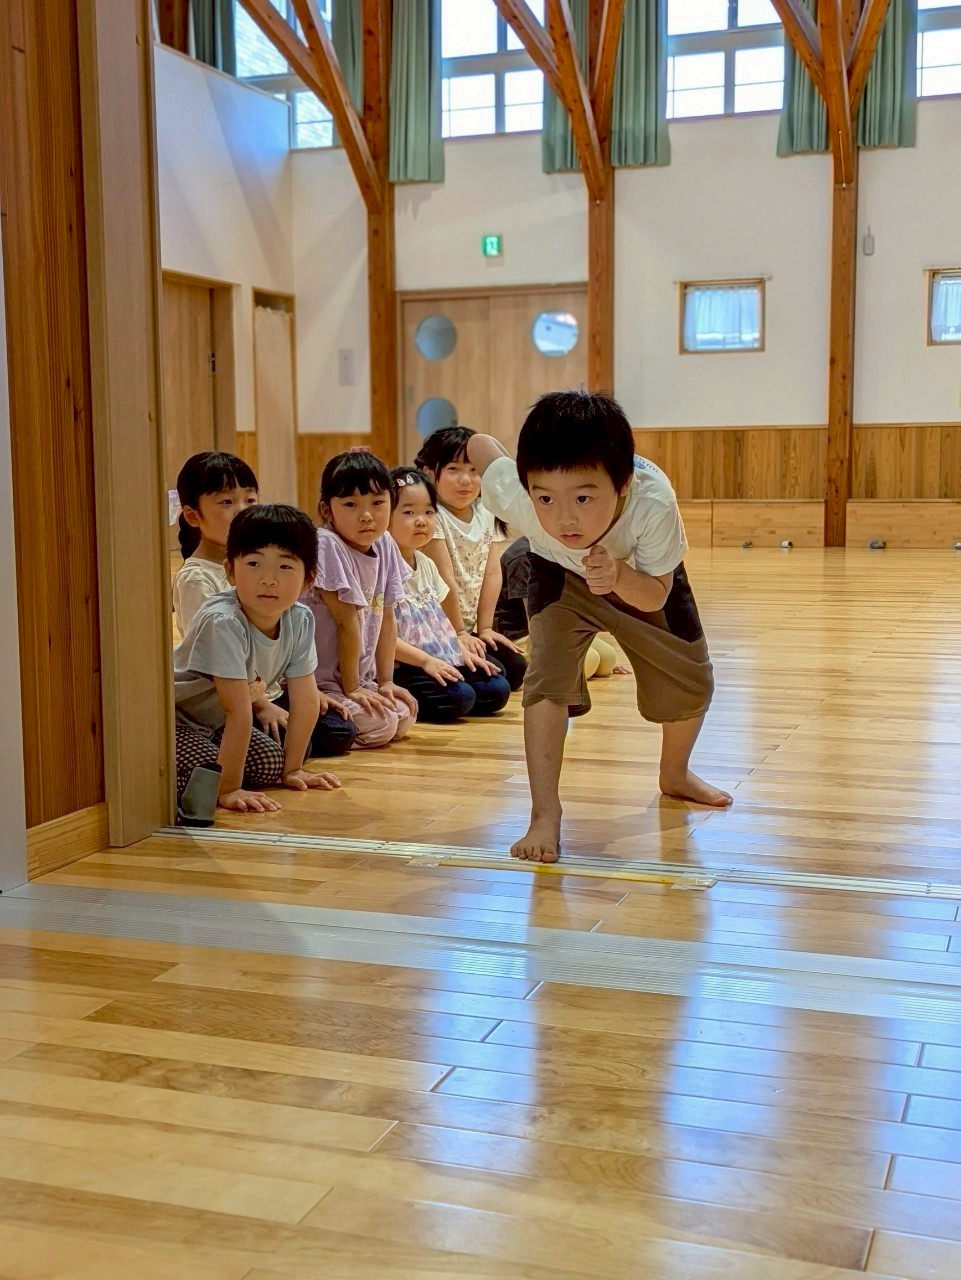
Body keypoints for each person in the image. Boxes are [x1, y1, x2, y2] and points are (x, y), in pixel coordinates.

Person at [467, 390, 731, 863]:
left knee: (692, 681)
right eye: (545, 498)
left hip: (643, 577)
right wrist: (502, 460)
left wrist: (619, 577)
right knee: (546, 681)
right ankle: (544, 814)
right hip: (557, 576)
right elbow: (480, 446)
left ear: (623, 483)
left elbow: (656, 594)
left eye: (584, 498)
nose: (564, 517)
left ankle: (675, 773)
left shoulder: (653, 502)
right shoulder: (520, 495)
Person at [173, 450, 356, 758]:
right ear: (193, 516)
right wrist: (261, 706)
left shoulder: (295, 610)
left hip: (264, 688)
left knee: (338, 730)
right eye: (226, 502)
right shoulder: (197, 579)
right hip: (222, 695)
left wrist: (306, 692)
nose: (241, 510)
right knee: (283, 746)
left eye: (250, 500)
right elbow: (219, 660)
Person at [173, 503, 341, 814]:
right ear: (230, 571)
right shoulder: (224, 622)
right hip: (176, 719)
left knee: (270, 763)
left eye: (285, 566)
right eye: (253, 563)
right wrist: (229, 790)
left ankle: (211, 773)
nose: (269, 579)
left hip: (214, 723)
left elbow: (306, 699)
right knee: (206, 770)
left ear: (308, 578)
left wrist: (293, 770)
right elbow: (237, 710)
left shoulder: (299, 618)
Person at [304, 451, 417, 747]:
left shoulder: (385, 542)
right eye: (351, 505)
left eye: (377, 503)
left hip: (358, 676)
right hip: (320, 681)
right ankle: (311, 727)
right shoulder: (326, 544)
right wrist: (352, 688)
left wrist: (386, 681)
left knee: (404, 714)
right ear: (327, 510)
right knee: (381, 725)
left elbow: (387, 617)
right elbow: (347, 622)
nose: (367, 515)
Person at [389, 465, 511, 723]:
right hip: (403, 663)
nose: (421, 520)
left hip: (436, 655)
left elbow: (439, 621)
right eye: (409, 512)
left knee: (496, 687)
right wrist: (426, 662)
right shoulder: (383, 570)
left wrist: (457, 649)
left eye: (428, 512)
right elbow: (381, 637)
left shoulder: (426, 564)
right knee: (460, 698)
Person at [415, 426, 526, 692]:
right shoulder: (432, 515)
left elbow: (492, 573)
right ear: (430, 473)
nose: (465, 480)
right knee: (494, 686)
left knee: (516, 669)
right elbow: (445, 578)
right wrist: (459, 632)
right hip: (436, 628)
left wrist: (484, 628)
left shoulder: (486, 510)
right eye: (453, 469)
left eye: (474, 470)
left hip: (467, 626)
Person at [495, 535, 630, 680]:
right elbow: (533, 617)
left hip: (554, 626)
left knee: (607, 659)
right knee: (589, 662)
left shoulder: (558, 549)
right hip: (520, 634)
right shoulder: (522, 555)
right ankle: (528, 665)